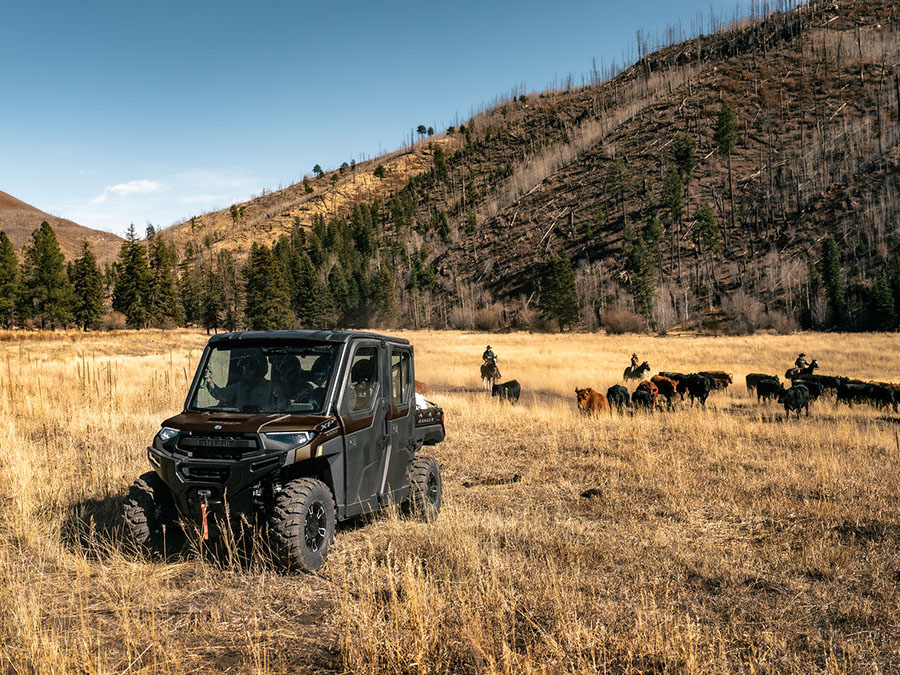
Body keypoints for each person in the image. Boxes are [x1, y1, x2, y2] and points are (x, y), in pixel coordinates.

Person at [204, 351, 270, 410]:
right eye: (244, 366)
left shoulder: (271, 388)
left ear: (260, 369)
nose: (246, 370)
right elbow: (220, 394)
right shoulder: (239, 387)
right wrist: (209, 381)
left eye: (250, 367)